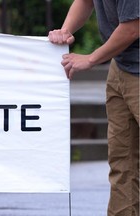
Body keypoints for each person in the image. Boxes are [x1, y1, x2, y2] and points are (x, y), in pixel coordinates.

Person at [49, 0, 139, 215]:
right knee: (122, 162)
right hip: (121, 68)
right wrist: (65, 31)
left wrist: (90, 59)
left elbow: (132, 28)